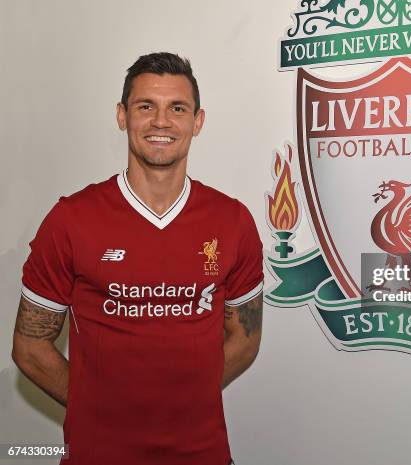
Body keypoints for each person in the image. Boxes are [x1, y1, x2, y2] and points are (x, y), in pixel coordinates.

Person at [11, 52, 264, 465]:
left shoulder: (232, 220)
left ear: (197, 122)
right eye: (145, 106)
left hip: (204, 455)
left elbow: (247, 336)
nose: (161, 121)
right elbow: (29, 346)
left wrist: (185, 402)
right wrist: (101, 409)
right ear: (122, 115)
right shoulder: (71, 219)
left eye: (177, 108)